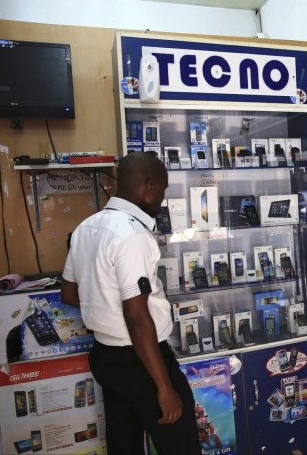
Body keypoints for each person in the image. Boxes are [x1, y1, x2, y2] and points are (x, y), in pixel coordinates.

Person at [60, 152, 201, 455]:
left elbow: (68, 293)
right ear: (149, 187)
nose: (162, 199)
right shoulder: (133, 235)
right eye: (162, 190)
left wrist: (104, 309)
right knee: (181, 445)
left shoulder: (86, 227)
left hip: (106, 359)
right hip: (144, 363)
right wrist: (164, 388)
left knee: (124, 445)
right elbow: (136, 316)